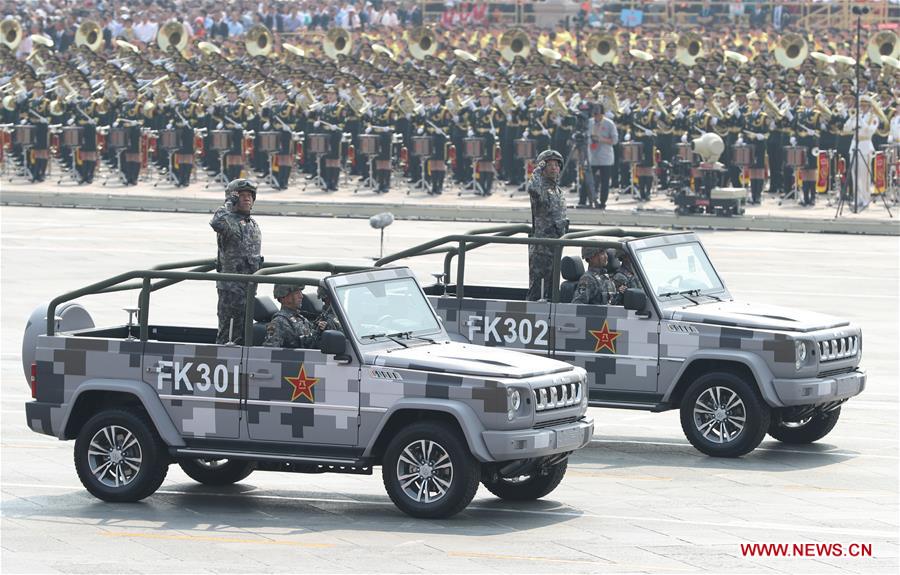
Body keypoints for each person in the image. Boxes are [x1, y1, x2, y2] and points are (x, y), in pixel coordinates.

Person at [210, 179, 262, 345]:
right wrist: (228, 203)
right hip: (231, 291)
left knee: (243, 334)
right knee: (228, 335)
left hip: (248, 289)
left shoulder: (252, 223)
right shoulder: (228, 220)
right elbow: (216, 222)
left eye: (249, 195)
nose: (247, 198)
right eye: (241, 195)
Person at [527, 149, 568, 301]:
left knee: (552, 291)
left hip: (555, 247)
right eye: (549, 165)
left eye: (556, 165)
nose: (553, 168)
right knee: (538, 292)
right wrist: (538, 169)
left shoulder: (558, 191)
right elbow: (532, 188)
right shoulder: (540, 188)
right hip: (541, 250)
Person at [264, 284, 326, 348]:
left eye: (300, 292)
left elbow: (309, 342)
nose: (301, 296)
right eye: (297, 293)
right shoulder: (278, 322)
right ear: (283, 297)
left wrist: (318, 330)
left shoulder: (301, 318)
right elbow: (270, 350)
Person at [588, 102, 617, 209]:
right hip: (592, 156)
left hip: (605, 157)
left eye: (598, 114)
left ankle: (603, 202)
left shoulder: (609, 124)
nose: (596, 117)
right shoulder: (590, 122)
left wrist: (601, 139)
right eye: (594, 114)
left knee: (605, 181)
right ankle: (590, 200)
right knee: (589, 180)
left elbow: (615, 140)